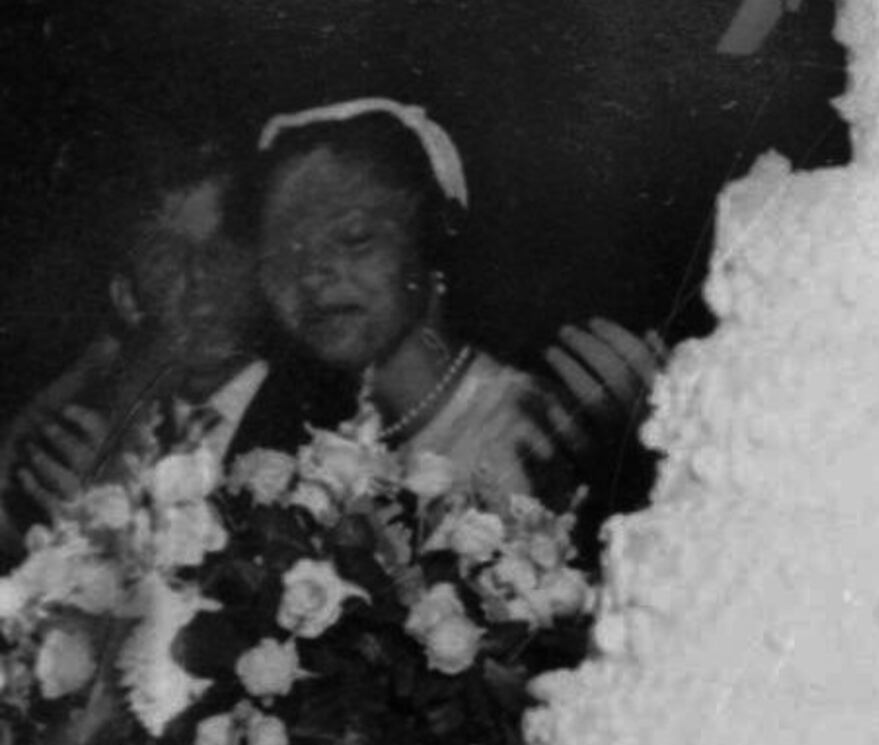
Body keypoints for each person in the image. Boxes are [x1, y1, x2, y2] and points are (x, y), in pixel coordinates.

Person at [226, 99, 659, 520]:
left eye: (355, 238)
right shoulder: (303, 455)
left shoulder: (537, 434)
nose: (310, 275)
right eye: (282, 254)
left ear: (429, 238)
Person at [0, 129, 267, 537]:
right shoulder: (97, 442)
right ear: (127, 298)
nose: (200, 278)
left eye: (223, 251)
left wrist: (119, 529)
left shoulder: (324, 420)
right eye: (166, 256)